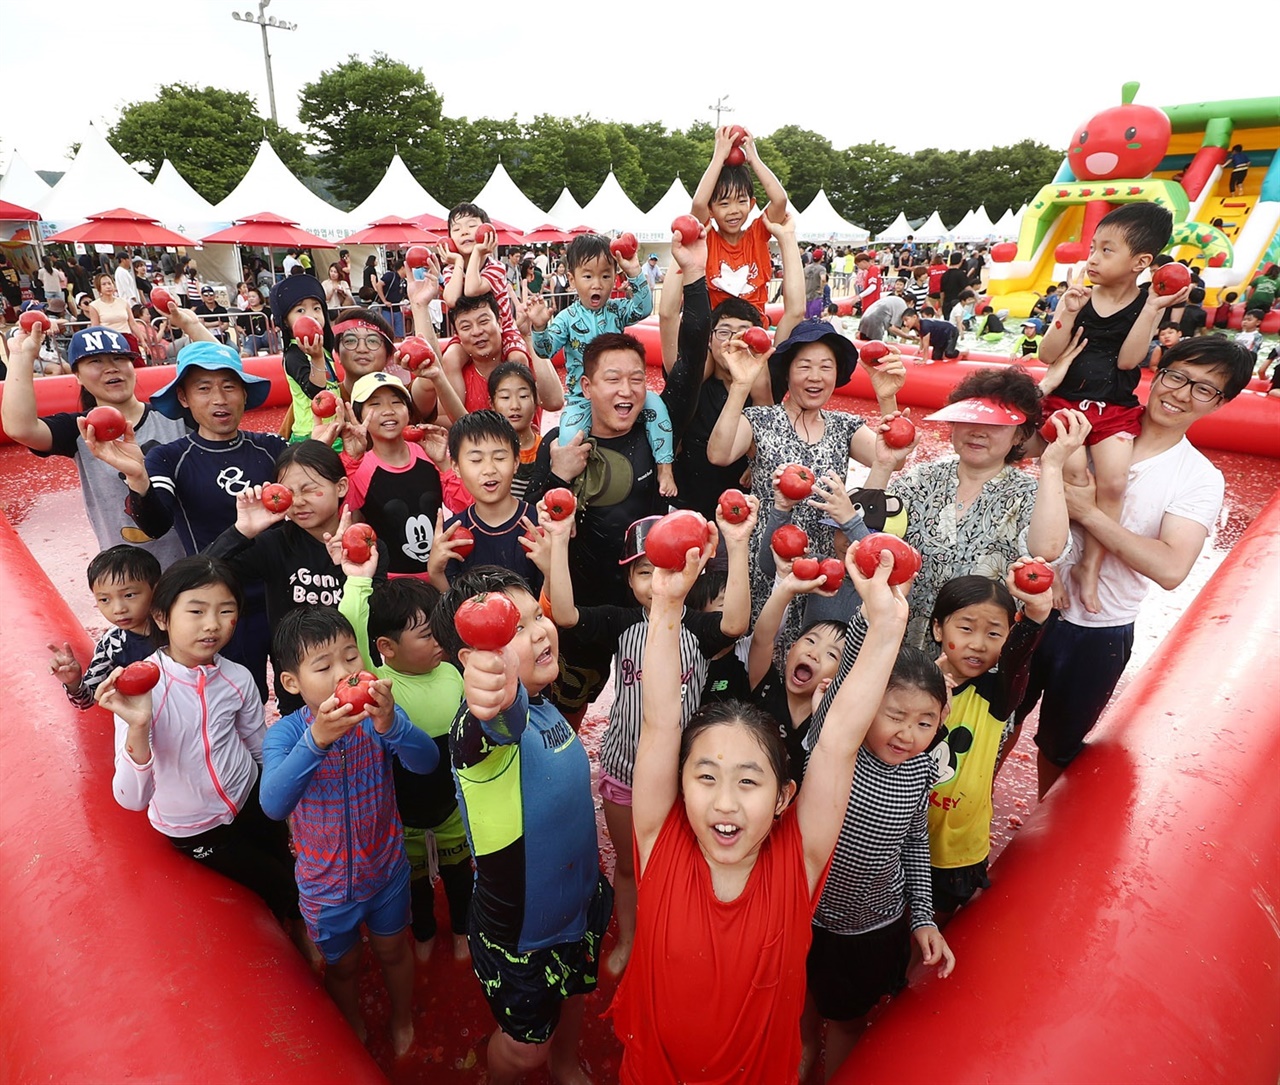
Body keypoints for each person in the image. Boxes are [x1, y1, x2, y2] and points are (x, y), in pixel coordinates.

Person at [607, 534, 908, 1083]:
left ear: (783, 799)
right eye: (705, 777)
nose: (724, 803)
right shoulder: (660, 838)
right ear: (679, 784)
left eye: (749, 782)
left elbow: (838, 741)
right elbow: (659, 725)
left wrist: (886, 629)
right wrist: (668, 608)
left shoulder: (798, 862)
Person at [1015, 337, 1255, 798]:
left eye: (1203, 389)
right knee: (994, 723)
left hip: (1098, 630)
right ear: (1157, 371)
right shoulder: (1094, 425)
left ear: (1221, 403)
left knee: (1059, 747)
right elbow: (1011, 441)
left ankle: (1041, 850)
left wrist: (1088, 512)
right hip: (1029, 605)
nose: (1181, 394)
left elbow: (1169, 568)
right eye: (1177, 376)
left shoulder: (1199, 477)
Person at [540, 503, 753, 978]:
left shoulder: (696, 628)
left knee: (682, 867)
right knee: (629, 867)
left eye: (669, 568)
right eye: (643, 570)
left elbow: (736, 624)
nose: (656, 580)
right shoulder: (621, 622)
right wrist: (557, 540)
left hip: (683, 774)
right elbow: (568, 615)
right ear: (629, 580)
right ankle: (633, 938)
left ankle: (672, 939)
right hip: (624, 766)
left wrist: (737, 546)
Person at [431, 566, 613, 1085]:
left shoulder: (550, 707)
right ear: (473, 661)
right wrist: (493, 699)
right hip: (522, 933)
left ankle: (565, 1062)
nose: (539, 631)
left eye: (537, 614)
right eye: (515, 628)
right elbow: (494, 721)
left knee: (576, 993)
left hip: (581, 903)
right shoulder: (481, 735)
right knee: (523, 1049)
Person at [96, 555, 303, 940]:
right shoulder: (138, 691)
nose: (213, 624)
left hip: (252, 797)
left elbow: (259, 748)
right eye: (196, 611)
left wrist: (280, 803)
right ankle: (292, 941)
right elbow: (132, 798)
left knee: (288, 867)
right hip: (195, 828)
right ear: (161, 617)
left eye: (226, 611)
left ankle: (300, 928)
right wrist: (138, 725)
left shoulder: (237, 677)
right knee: (274, 884)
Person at [261, 607, 438, 1057]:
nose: (344, 673)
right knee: (343, 967)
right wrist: (316, 740)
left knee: (393, 951)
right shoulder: (285, 735)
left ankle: (401, 1017)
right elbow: (273, 803)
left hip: (386, 872)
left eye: (350, 658)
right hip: (325, 888)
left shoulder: (376, 724)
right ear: (291, 683)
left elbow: (427, 763)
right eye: (323, 666)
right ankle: (352, 1022)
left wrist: (392, 724)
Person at [801, 643, 955, 1079]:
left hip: (870, 930)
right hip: (806, 918)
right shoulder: (833, 749)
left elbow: (914, 843)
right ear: (864, 705)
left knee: (849, 1021)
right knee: (800, 1004)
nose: (908, 734)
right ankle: (805, 1051)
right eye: (895, 717)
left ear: (940, 720)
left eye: (924, 722)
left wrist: (923, 917)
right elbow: (852, 665)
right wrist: (879, 607)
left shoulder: (920, 768)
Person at [1036, 202, 1186, 614]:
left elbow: (1128, 361)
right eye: (1093, 248)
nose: (1093, 258)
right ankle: (1058, 561)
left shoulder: (1146, 304)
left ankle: (1090, 564)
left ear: (1141, 262)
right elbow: (1049, 354)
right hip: (1066, 402)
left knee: (1115, 483)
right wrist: (1064, 312)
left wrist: (1154, 310)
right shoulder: (1080, 297)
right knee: (1072, 472)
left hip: (1114, 406)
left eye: (1106, 250)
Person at [706, 318, 905, 625]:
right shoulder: (760, 420)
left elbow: (891, 455)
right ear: (787, 372)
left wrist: (886, 396)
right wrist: (741, 385)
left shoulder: (844, 427)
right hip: (767, 568)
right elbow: (719, 454)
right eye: (804, 366)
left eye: (826, 367)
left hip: (823, 573)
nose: (816, 377)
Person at [878, 364, 1085, 647]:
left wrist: (1052, 463)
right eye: (968, 419)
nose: (977, 431)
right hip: (899, 643)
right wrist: (883, 463)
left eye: (996, 424)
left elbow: (1046, 552)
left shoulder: (1029, 493)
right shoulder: (920, 479)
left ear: (1020, 435)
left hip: (977, 657)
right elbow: (870, 534)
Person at [336, 568, 471, 963]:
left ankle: (462, 928)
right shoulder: (378, 683)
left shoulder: (453, 673)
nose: (439, 643)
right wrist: (359, 578)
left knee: (461, 875)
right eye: (427, 635)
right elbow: (352, 623)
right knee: (414, 885)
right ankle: (425, 930)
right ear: (386, 647)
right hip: (402, 815)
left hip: (453, 808)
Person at [205, 441, 388, 712]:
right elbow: (200, 574)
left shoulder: (367, 545)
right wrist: (242, 530)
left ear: (340, 487)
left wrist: (349, 572)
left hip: (355, 677)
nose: (299, 501)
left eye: (311, 489)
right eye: (289, 492)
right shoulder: (273, 544)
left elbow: (378, 617)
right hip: (298, 687)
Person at [0, 324, 188, 566]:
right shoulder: (79, 429)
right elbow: (19, 428)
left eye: (120, 358)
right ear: (76, 375)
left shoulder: (174, 416)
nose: (111, 368)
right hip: (125, 579)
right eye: (96, 361)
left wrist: (191, 325)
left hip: (190, 568)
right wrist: (21, 356)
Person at [926, 566, 1052, 917]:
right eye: (965, 629)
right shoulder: (913, 684)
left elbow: (1018, 660)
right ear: (938, 628)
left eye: (994, 634)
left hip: (958, 850)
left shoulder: (998, 695)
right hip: (903, 838)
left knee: (941, 921)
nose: (978, 644)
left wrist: (1035, 617)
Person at [528, 233, 675, 496]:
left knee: (656, 404)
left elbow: (643, 308)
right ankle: (569, 496)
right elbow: (546, 350)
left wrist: (634, 273)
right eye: (588, 277)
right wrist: (539, 328)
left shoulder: (616, 310)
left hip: (616, 388)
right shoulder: (566, 318)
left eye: (606, 276)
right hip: (581, 399)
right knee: (568, 439)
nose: (598, 284)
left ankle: (665, 467)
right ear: (572, 279)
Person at [343, 372, 456, 580]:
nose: (388, 411)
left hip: (444, 575)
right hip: (392, 584)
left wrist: (444, 464)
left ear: (408, 411)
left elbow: (464, 507)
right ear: (358, 416)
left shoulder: (431, 453)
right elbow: (341, 517)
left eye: (397, 402)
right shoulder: (358, 467)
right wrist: (350, 461)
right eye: (375, 405)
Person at [428, 410, 542, 592]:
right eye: (476, 460)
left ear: (516, 462)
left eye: (499, 458)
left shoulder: (538, 525)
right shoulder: (452, 535)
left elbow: (555, 607)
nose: (489, 469)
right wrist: (435, 572)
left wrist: (552, 567)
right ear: (456, 467)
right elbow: (450, 609)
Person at [48, 544, 162, 710]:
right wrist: (73, 682)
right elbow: (86, 699)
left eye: (129, 595)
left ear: (157, 589)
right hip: (150, 723)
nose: (118, 609)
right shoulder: (112, 644)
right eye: (104, 600)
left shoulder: (178, 628)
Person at [691, 124, 790, 314]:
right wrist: (718, 156)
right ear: (710, 210)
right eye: (724, 204)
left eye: (741, 201)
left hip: (754, 333)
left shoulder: (758, 234)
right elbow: (698, 205)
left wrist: (753, 158)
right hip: (719, 332)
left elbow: (780, 200)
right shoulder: (707, 239)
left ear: (752, 204)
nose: (734, 211)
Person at [438, 203, 531, 377]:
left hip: (503, 330)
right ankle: (457, 405)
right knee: (450, 359)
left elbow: (473, 289)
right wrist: (458, 261)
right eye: (457, 230)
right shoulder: (451, 270)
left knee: (518, 358)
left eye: (472, 226)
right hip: (470, 333)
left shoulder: (496, 267)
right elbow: (450, 299)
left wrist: (478, 252)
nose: (465, 232)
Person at [270, 275, 340, 443]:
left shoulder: (323, 349)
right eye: (300, 310)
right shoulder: (294, 354)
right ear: (285, 321)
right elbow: (315, 392)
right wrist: (316, 359)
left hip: (334, 428)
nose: (312, 316)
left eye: (316, 308)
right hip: (309, 434)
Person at [488, 362, 542, 500]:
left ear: (535, 401)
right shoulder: (486, 452)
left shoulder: (547, 449)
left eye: (523, 396)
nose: (515, 406)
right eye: (505, 397)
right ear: (492, 404)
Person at [87, 273, 142, 338]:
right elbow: (95, 327)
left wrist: (142, 340)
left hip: (126, 336)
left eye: (109, 283)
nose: (108, 286)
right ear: (99, 288)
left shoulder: (123, 302)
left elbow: (133, 323)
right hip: (108, 338)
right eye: (104, 284)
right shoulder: (94, 305)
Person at [373, 256, 409, 339]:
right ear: (402, 267)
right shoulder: (390, 275)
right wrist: (384, 300)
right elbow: (379, 285)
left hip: (397, 309)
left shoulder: (404, 281)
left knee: (400, 333)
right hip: (386, 309)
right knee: (386, 333)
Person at [236, 287, 274, 356]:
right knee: (251, 342)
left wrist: (276, 328)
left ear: (259, 298)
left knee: (270, 336)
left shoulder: (268, 311)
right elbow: (237, 325)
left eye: (253, 297)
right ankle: (246, 355)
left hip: (266, 335)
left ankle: (278, 352)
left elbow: (275, 322)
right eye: (249, 297)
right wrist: (240, 329)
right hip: (253, 336)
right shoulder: (245, 313)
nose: (251, 299)